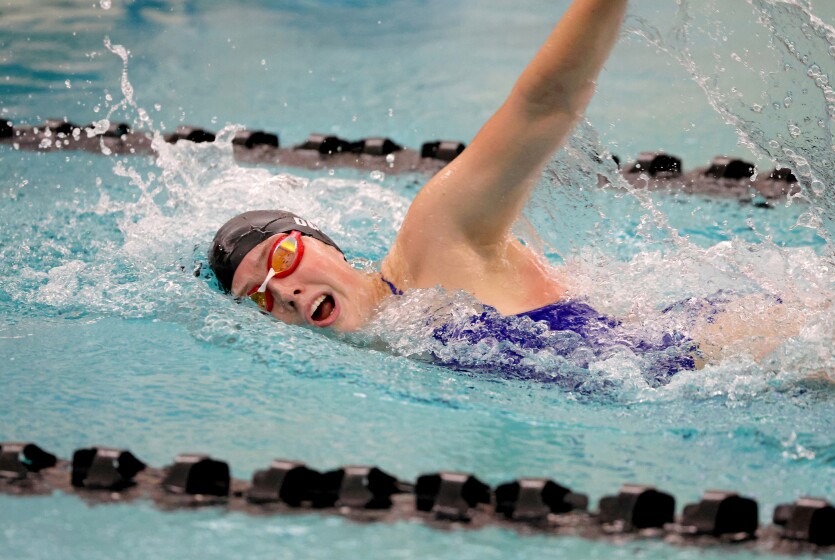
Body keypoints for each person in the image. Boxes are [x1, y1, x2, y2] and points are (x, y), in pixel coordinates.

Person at [208, 0, 803, 383]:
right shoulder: (391, 351)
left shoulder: (433, 240)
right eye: (258, 298)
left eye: (280, 259)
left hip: (744, 348)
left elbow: (545, 106)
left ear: (324, 245)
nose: (281, 292)